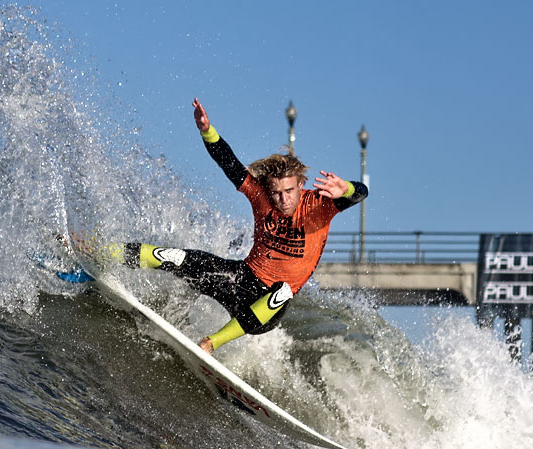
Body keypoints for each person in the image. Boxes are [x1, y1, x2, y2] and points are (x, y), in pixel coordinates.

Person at [122, 97, 368, 354]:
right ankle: (105, 253)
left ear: (301, 184)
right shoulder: (260, 195)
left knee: (283, 291)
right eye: (276, 193)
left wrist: (347, 188)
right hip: (240, 280)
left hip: (267, 308)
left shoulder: (318, 205)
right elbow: (229, 163)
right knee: (174, 256)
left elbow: (361, 193)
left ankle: (210, 343)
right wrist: (207, 131)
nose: (282, 199)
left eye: (288, 191)